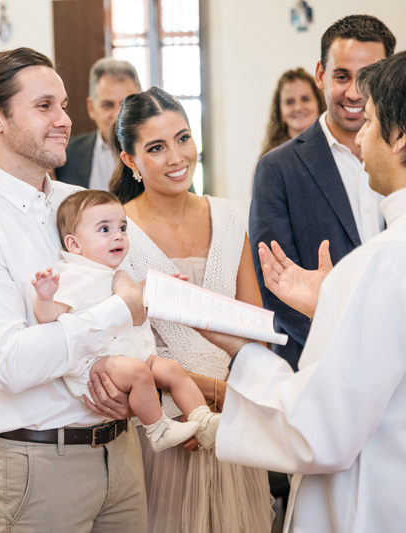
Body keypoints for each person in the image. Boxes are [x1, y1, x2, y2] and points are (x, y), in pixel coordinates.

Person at [208, 46, 406, 533]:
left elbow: (316, 433)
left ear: (400, 138)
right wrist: (335, 305)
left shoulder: (384, 264)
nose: (360, 136)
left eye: (372, 121)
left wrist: (244, 352)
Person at [0, 48, 149, 532]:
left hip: (121, 448)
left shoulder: (80, 204)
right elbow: (13, 362)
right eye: (44, 106)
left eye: (64, 105)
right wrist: (116, 311)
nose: (64, 120)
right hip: (40, 461)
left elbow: (135, 307)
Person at [110, 86, 272, 533]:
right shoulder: (117, 232)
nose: (176, 157)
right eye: (156, 148)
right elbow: (122, 347)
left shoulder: (231, 216)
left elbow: (253, 329)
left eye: (183, 138)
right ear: (130, 160)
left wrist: (235, 397)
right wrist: (202, 395)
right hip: (163, 424)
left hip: (233, 418)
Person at [249, 15, 396, 371]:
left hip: (401, 357)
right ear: (321, 75)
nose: (355, 93)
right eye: (342, 76)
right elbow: (276, 283)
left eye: (368, 77)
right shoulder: (277, 168)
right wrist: (345, 346)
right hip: (317, 366)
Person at [33, 189, 220, 452]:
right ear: (74, 245)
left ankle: (202, 419)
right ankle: (158, 430)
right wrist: (45, 297)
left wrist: (155, 287)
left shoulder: (113, 271)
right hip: (96, 363)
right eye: (105, 229)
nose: (118, 235)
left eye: (122, 227)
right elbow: (49, 318)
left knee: (171, 369)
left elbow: (129, 299)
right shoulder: (77, 274)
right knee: (139, 372)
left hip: (129, 353)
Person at [55, 58, 141, 190]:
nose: (118, 114)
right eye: (107, 105)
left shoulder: (156, 153)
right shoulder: (66, 155)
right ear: (91, 108)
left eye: (126, 105)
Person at [260, 67, 326, 156]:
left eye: (305, 99)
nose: (298, 108)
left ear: (319, 103)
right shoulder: (270, 160)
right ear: (280, 112)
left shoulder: (337, 148)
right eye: (289, 102)